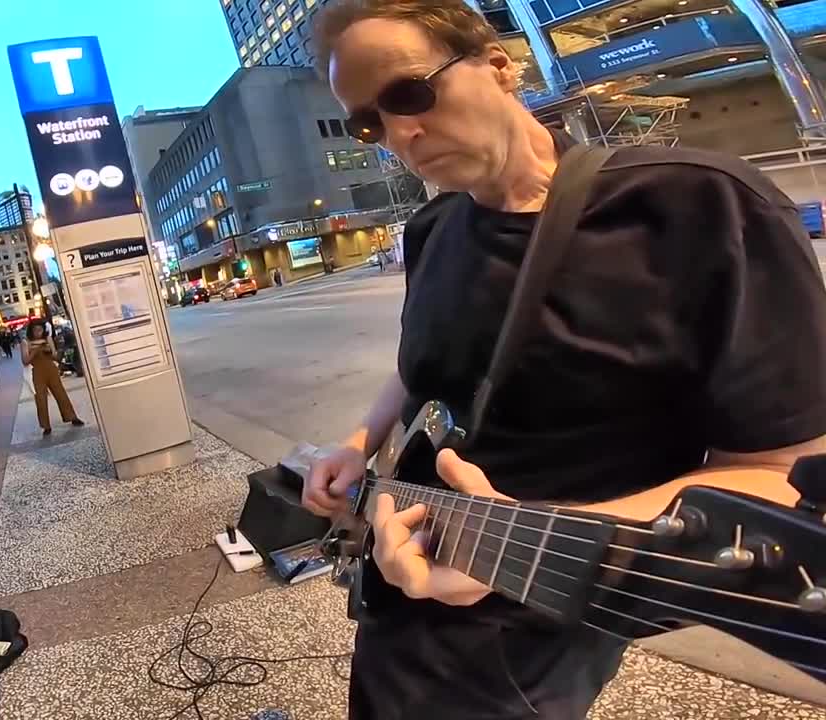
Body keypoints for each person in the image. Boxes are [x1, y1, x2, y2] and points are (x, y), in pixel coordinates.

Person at [302, 2, 826, 719]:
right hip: (400, 590)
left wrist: (515, 553)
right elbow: (424, 360)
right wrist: (361, 442)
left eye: (410, 93)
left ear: (499, 66)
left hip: (532, 637)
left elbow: (782, 472)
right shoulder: (431, 230)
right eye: (369, 122)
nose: (400, 134)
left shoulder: (697, 207)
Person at [21, 320, 85, 436]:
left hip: (51, 369)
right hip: (37, 372)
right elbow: (25, 361)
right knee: (40, 398)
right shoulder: (26, 342)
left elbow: (56, 357)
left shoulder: (48, 339)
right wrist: (35, 351)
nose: (38, 332)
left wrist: (51, 351)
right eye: (35, 330)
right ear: (31, 331)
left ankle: (72, 417)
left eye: (40, 330)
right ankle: (46, 426)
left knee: (60, 394)